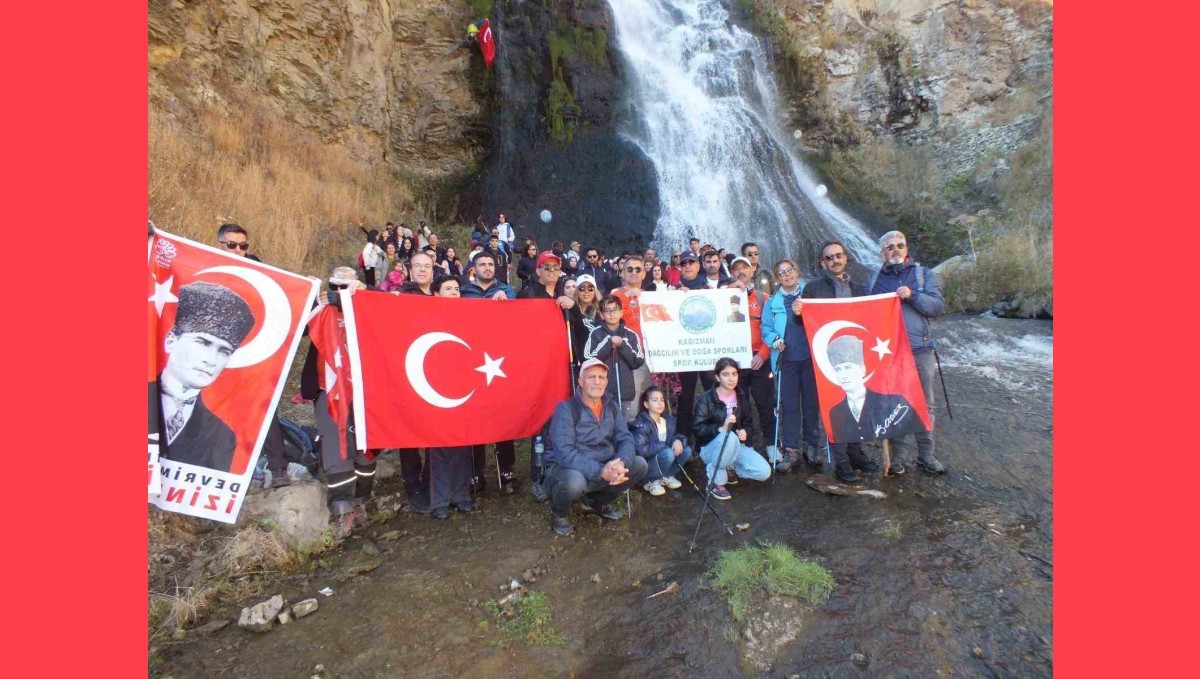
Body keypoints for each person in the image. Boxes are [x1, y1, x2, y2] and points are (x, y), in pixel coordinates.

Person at [299, 267, 378, 538]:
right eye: (335, 287)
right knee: (335, 444)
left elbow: (394, 310)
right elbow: (294, 327)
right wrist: (309, 299)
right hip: (328, 389)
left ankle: (362, 499)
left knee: (366, 445)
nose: (340, 293)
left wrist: (367, 294)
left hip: (365, 389)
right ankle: (342, 506)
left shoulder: (368, 308)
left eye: (347, 287)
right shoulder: (321, 310)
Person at [213, 222, 290, 484]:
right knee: (217, 409)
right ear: (219, 244)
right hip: (216, 353)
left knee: (264, 409)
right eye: (231, 244)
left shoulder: (261, 274)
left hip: (253, 353)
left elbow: (287, 296)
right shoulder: (206, 267)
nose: (237, 250)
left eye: (243, 246)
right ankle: (222, 468)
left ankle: (279, 468)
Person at [796, 240, 878, 482]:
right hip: (828, 356)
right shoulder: (812, 289)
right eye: (829, 257)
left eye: (838, 256)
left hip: (856, 354)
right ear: (823, 262)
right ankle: (841, 459)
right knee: (836, 407)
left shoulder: (861, 289)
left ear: (845, 258)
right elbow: (803, 324)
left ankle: (855, 452)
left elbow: (872, 318)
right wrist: (798, 311)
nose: (834, 260)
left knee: (856, 403)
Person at [869, 230, 946, 475]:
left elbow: (937, 306)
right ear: (882, 252)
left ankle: (926, 455)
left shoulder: (923, 275)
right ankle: (897, 459)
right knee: (895, 404)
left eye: (899, 245)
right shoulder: (874, 280)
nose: (895, 249)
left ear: (906, 248)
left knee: (924, 404)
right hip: (889, 353)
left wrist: (912, 296)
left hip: (920, 349)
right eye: (890, 247)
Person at [157, 282, 255, 472]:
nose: (211, 360)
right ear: (171, 341)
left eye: (224, 351)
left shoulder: (222, 436)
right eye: (202, 342)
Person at [543, 358, 648, 536]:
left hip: (604, 465)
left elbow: (626, 438)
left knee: (639, 465)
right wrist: (601, 471)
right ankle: (558, 513)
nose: (597, 381)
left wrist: (621, 462)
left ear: (607, 382)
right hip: (570, 469)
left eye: (601, 377)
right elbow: (564, 453)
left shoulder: (612, 407)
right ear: (581, 381)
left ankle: (595, 502)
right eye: (591, 377)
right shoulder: (566, 409)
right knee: (574, 483)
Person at [461, 250, 519, 494]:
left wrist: (507, 307)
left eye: (490, 264)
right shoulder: (463, 292)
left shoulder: (507, 291)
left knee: (502, 417)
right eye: (482, 264)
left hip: (499, 361)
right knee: (474, 420)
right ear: (473, 268)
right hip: (470, 360)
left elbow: (520, 320)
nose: (487, 267)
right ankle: (476, 474)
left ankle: (507, 472)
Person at [762, 259, 822, 470]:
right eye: (781, 273)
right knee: (789, 406)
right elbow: (766, 328)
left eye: (790, 270)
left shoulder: (811, 293)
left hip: (810, 359)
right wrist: (774, 340)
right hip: (786, 360)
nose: (787, 275)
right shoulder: (772, 303)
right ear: (777, 278)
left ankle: (812, 445)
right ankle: (791, 449)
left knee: (811, 404)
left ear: (796, 272)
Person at [425, 277, 476, 519]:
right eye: (448, 289)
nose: (454, 292)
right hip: (435, 387)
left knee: (463, 443)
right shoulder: (424, 314)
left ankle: (461, 495)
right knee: (439, 445)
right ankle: (440, 500)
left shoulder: (468, 315)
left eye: (457, 289)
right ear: (436, 294)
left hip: (463, 386)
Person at [723, 256, 780, 468]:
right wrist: (730, 290)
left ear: (752, 272)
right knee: (739, 405)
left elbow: (772, 329)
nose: (740, 272)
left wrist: (763, 354)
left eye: (744, 268)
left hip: (758, 358)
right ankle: (743, 444)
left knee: (765, 404)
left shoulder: (764, 298)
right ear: (731, 274)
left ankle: (772, 445)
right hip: (734, 363)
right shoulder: (723, 296)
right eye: (736, 269)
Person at [693, 357, 774, 500]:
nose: (731, 379)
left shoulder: (741, 396)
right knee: (728, 436)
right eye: (725, 374)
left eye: (734, 374)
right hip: (709, 448)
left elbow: (748, 423)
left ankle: (728, 467)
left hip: (735, 446)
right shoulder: (706, 399)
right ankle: (716, 480)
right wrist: (721, 428)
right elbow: (698, 430)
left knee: (764, 472)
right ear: (717, 377)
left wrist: (745, 432)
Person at [397, 252, 437, 510]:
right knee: (407, 432)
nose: (422, 270)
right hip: (407, 371)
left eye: (427, 266)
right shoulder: (400, 296)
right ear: (410, 270)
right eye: (418, 266)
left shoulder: (440, 298)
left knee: (436, 430)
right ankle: (412, 484)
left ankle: (432, 480)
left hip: (436, 374)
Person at [584, 295, 646, 421]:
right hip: (602, 392)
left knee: (622, 426)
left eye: (615, 310)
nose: (612, 314)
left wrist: (623, 345)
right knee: (603, 425)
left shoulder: (630, 335)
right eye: (607, 311)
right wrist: (608, 344)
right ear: (601, 315)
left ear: (621, 312)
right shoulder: (596, 333)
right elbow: (589, 358)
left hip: (624, 391)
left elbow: (638, 361)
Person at [630, 385, 691, 496]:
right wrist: (663, 446)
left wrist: (678, 440)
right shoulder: (641, 424)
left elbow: (677, 435)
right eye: (655, 400)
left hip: (664, 457)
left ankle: (665, 476)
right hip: (649, 465)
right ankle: (651, 481)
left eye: (662, 400)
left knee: (686, 450)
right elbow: (641, 450)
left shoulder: (668, 420)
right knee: (668, 453)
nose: (660, 403)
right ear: (646, 404)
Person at [611, 255, 653, 412]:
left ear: (644, 273)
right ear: (621, 273)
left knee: (651, 404)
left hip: (654, 357)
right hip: (631, 358)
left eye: (638, 269)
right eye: (629, 269)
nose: (634, 272)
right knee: (631, 407)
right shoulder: (616, 296)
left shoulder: (651, 296)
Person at [567, 274, 602, 368]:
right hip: (574, 361)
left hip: (595, 361)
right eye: (582, 288)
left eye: (590, 288)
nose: (586, 291)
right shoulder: (569, 311)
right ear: (577, 291)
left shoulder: (601, 312)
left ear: (595, 291)